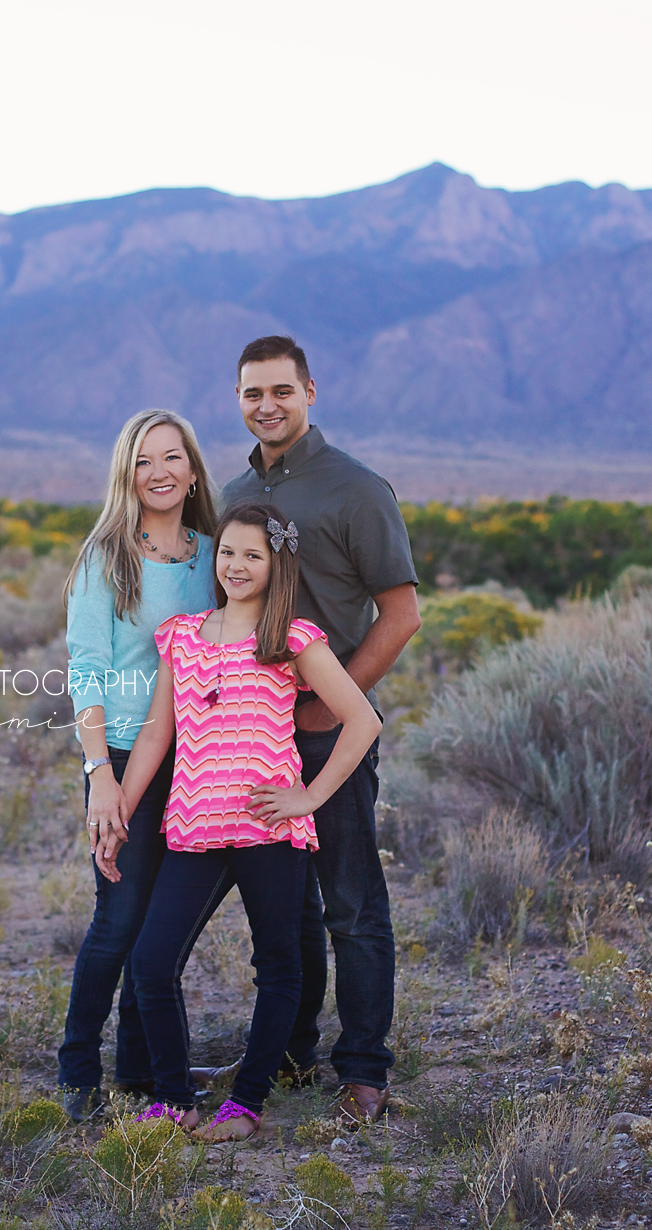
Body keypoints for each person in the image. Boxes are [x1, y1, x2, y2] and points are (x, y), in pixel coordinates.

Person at [99, 501, 383, 1140]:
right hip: (195, 826)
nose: (236, 565)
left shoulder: (293, 638)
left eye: (253, 554)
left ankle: (246, 1105)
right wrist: (118, 805)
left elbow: (362, 720)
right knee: (150, 961)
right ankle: (174, 1099)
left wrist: (308, 797)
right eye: (228, 551)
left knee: (279, 965)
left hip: (268, 831)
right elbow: (154, 736)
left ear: (275, 563)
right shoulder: (182, 635)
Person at [219, 335, 420, 1125]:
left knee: (350, 899)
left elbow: (401, 615)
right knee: (283, 902)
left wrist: (329, 705)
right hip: (251, 732)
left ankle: (364, 1069)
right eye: (251, 393)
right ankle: (294, 1051)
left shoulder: (356, 488)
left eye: (280, 390)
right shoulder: (237, 491)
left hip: (325, 729)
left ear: (310, 390)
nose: (266, 405)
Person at [54, 409, 218, 1121]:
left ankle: (139, 1066)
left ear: (192, 469)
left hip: (198, 758)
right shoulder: (106, 558)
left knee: (161, 927)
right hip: (121, 753)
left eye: (172, 457)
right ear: (128, 472)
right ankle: (77, 1070)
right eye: (144, 460)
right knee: (119, 919)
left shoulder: (216, 556)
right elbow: (85, 671)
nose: (159, 472)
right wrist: (100, 776)